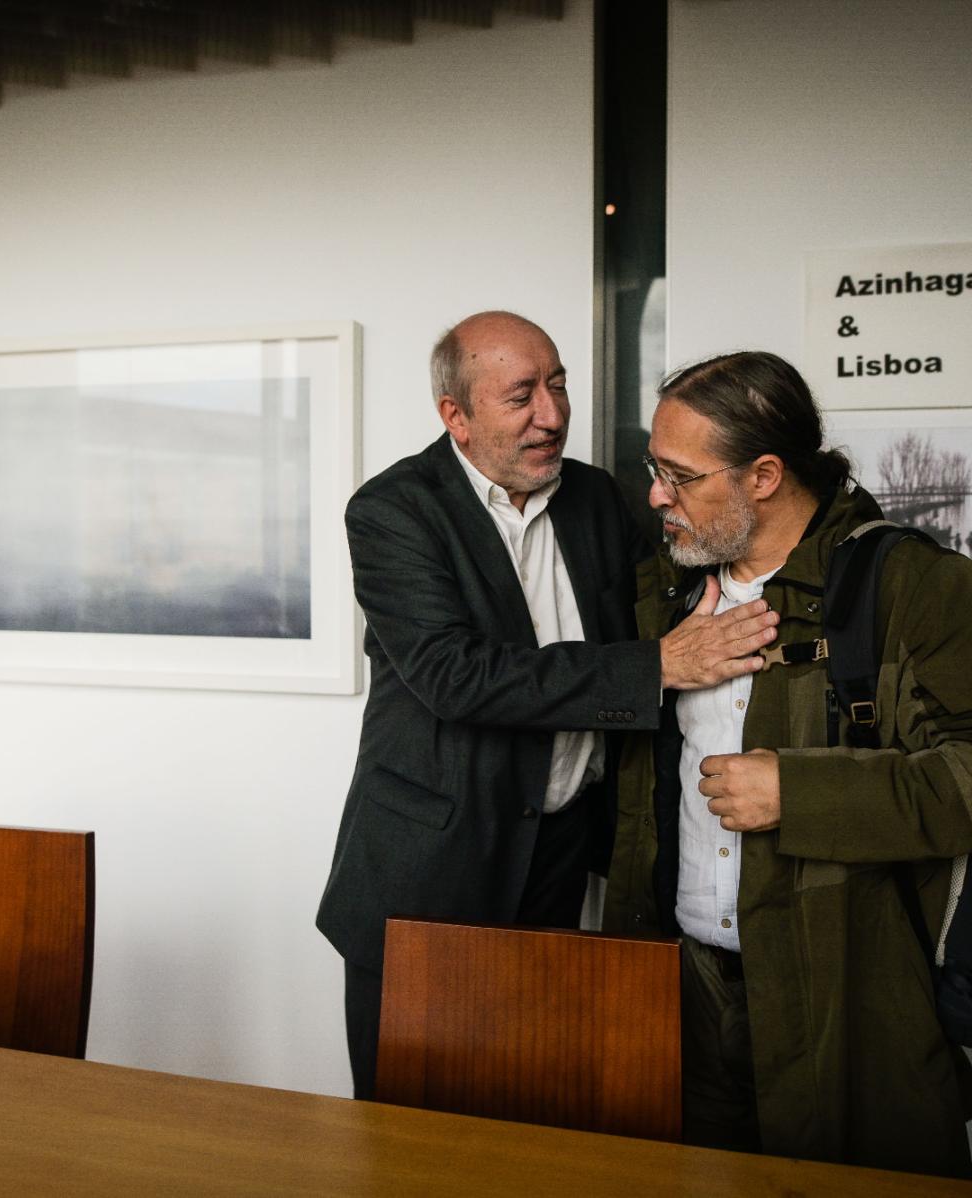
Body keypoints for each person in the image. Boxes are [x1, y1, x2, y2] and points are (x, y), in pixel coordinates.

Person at [602, 350, 972, 1177]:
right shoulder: (661, 588)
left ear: (764, 476)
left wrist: (799, 793)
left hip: (852, 1011)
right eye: (654, 470)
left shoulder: (913, 585)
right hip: (678, 998)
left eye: (681, 476)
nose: (657, 497)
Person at [315, 312, 782, 1099]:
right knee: (411, 1130)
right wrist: (656, 667)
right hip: (433, 867)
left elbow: (685, 590)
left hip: (561, 852)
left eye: (558, 385)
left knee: (535, 1106)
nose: (553, 414)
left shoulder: (598, 497)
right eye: (521, 396)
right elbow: (455, 677)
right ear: (456, 416)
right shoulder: (393, 511)